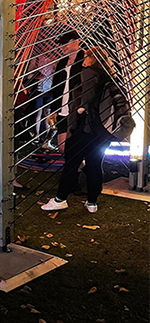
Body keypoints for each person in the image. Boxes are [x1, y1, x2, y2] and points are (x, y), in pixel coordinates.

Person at [42, 47, 134, 213]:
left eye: (87, 56)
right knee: (94, 164)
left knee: (71, 162)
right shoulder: (108, 75)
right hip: (102, 131)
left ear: (94, 58)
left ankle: (60, 199)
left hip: (85, 128)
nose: (83, 59)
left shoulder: (89, 73)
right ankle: (92, 202)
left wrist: (77, 110)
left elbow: (85, 100)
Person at [47, 31, 84, 153]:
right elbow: (56, 87)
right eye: (61, 44)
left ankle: (77, 169)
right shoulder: (62, 62)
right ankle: (76, 169)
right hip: (62, 110)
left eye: (65, 44)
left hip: (77, 110)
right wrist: (54, 110)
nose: (62, 47)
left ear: (75, 41)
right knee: (63, 146)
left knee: (76, 145)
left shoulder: (85, 59)